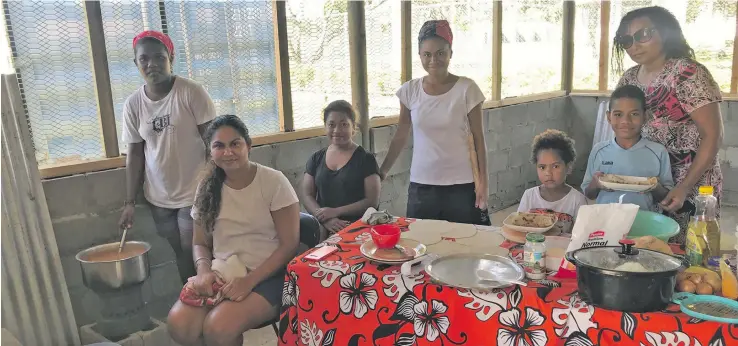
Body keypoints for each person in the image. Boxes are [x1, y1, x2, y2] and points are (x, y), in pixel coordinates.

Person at [167, 115, 300, 346]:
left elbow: (289, 244)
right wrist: (204, 271)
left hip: (270, 275)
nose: (228, 152)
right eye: (219, 146)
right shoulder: (207, 187)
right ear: (210, 152)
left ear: (248, 145)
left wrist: (248, 281)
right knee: (179, 324)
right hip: (223, 272)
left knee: (218, 327)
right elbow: (199, 242)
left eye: (235, 144)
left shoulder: (273, 182)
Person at [614, 6, 724, 243]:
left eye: (643, 35)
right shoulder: (629, 78)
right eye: (626, 40)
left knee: (687, 251)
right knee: (645, 246)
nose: (634, 45)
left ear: (665, 32)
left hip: (691, 180)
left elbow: (712, 135)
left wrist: (684, 187)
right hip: (647, 179)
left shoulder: (688, 73)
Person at [119, 30, 216, 282]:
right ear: (136, 63)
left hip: (193, 192)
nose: (151, 64)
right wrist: (130, 201)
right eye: (144, 59)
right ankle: (194, 296)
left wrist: (211, 185)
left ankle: (205, 297)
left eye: (159, 57)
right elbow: (135, 154)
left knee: (192, 248)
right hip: (158, 197)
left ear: (171, 57)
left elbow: (213, 143)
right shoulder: (133, 105)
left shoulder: (190, 92)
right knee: (179, 252)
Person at [379, 20, 490, 225]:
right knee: (423, 245)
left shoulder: (467, 89)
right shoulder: (410, 91)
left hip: (462, 185)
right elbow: (401, 134)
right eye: (427, 54)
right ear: (419, 55)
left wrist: (483, 182)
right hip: (422, 186)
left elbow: (478, 137)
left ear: (450, 53)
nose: (433, 60)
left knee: (464, 246)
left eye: (440, 53)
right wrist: (383, 171)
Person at [582, 85, 674, 211]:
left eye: (634, 114)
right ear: (609, 117)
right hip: (606, 221)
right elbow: (588, 194)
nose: (625, 121)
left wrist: (655, 186)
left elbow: (666, 196)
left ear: (645, 116)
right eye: (618, 114)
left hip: (644, 222)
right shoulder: (599, 151)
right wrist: (596, 183)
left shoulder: (658, 152)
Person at [301, 100, 381, 235]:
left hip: (359, 230)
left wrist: (335, 211)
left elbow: (372, 201)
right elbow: (307, 194)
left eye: (344, 124)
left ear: (353, 128)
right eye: (331, 125)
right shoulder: (316, 158)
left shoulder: (366, 159)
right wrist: (325, 219)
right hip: (325, 229)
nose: (337, 130)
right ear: (325, 127)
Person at [518, 130, 587, 234]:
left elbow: (581, 235)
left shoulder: (577, 200)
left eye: (555, 166)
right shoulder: (529, 196)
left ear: (568, 168)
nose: (548, 173)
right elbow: (519, 227)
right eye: (542, 167)